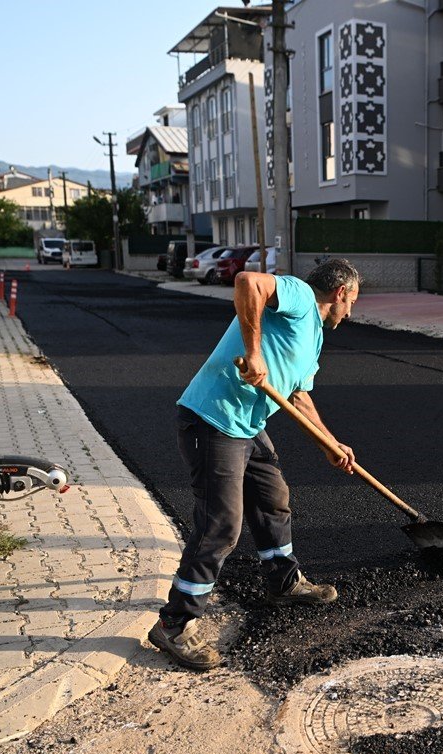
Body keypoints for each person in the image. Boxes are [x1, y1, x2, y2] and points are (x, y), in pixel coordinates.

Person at [149, 258, 362, 671]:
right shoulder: (301, 296)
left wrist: (329, 444)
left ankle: (283, 582)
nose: (351, 312)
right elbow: (248, 282)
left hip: (247, 426)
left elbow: (299, 397)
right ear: (340, 293)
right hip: (213, 420)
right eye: (352, 301)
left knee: (272, 498)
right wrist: (253, 352)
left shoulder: (314, 337)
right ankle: (175, 623)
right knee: (221, 525)